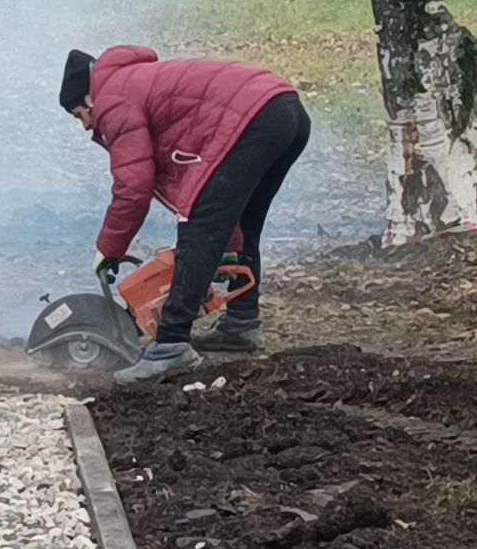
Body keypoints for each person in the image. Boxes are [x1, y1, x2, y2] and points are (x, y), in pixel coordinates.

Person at [60, 47, 311, 384]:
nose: (86, 125)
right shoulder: (133, 81)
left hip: (252, 118)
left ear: (88, 100)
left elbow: (134, 187)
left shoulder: (113, 100)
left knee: (200, 229)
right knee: (240, 224)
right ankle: (242, 324)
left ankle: (171, 344)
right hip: (283, 110)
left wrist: (110, 248)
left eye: (79, 116)